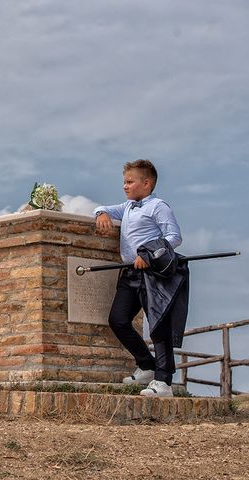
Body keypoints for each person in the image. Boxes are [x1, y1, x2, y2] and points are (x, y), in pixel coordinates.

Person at [93, 159, 184, 398]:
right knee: (118, 319)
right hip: (130, 273)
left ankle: (163, 382)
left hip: (152, 274)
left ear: (146, 183)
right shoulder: (128, 207)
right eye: (124, 181)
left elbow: (174, 237)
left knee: (158, 326)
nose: (125, 186)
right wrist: (101, 213)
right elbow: (103, 208)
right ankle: (147, 365)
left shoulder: (158, 206)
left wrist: (148, 253)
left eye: (130, 182)